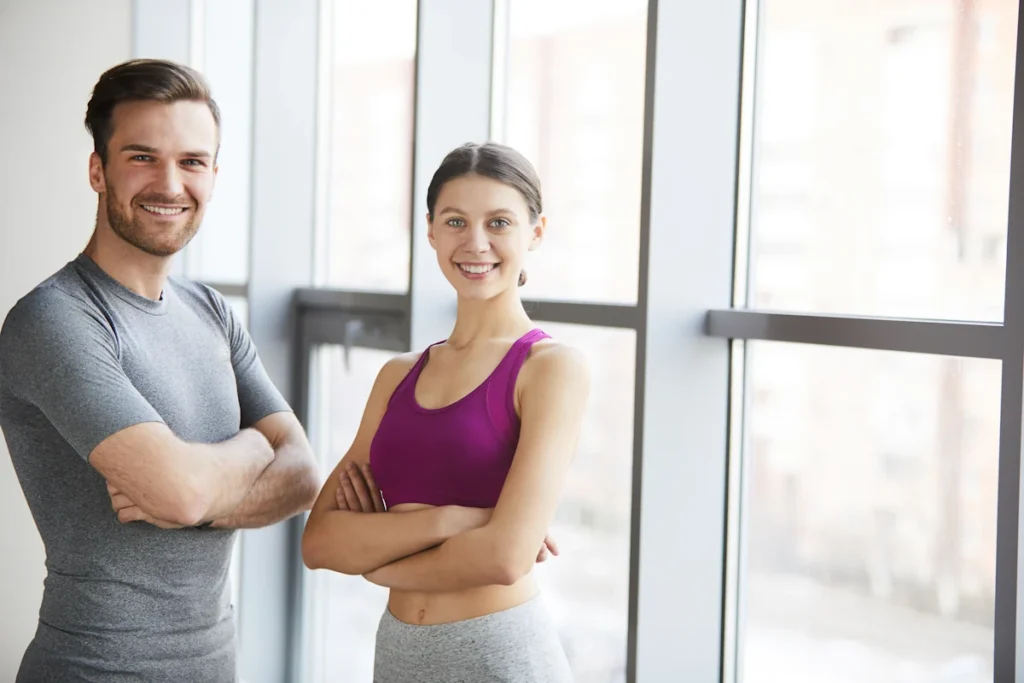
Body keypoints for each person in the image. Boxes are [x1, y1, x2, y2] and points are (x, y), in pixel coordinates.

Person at [0, 58, 321, 683]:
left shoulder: (211, 311)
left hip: (214, 666)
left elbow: (304, 474)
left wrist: (198, 496)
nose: (170, 184)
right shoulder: (55, 320)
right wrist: (255, 448)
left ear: (213, 174)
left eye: (192, 161)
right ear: (98, 170)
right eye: (142, 157)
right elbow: (184, 490)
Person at [302, 141, 590, 682]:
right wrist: (452, 521)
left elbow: (505, 557)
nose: (476, 243)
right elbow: (320, 543)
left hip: (499, 656)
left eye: (499, 222)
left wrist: (376, 560)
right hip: (398, 656)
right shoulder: (398, 375)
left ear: (536, 232)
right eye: (456, 221)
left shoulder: (552, 368)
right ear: (431, 231)